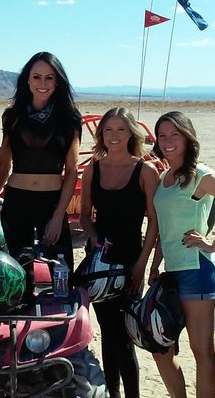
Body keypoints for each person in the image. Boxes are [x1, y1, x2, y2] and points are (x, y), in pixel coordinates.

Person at [147, 111, 215, 398]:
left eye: (174, 135)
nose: (167, 141)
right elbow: (162, 227)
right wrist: (155, 265)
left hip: (198, 271)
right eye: (162, 136)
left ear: (187, 137)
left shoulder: (200, 175)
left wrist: (212, 245)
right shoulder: (164, 176)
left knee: (200, 348)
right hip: (171, 273)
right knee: (161, 347)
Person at [0, 52, 81, 286]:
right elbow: (4, 163)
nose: (42, 84)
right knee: (19, 273)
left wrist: (58, 217)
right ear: (27, 80)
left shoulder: (69, 118)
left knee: (62, 272)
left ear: (58, 82)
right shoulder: (13, 115)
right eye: (37, 77)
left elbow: (72, 171)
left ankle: (61, 322)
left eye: (49, 77)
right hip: (17, 202)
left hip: (52, 203)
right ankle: (19, 320)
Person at [79, 107, 159, 398]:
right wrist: (94, 237)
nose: (114, 136)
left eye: (121, 130)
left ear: (131, 133)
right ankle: (113, 393)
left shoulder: (145, 171)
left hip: (129, 261)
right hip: (100, 262)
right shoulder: (93, 168)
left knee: (124, 335)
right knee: (106, 333)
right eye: (108, 130)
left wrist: (141, 264)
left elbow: (154, 222)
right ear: (101, 134)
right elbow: (85, 215)